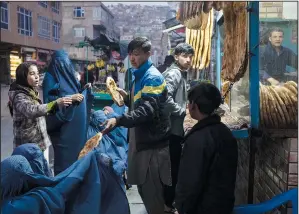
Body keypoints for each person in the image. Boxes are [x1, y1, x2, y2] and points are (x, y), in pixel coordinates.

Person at [102, 37, 171, 214]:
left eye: (137, 54)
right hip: (141, 142)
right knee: (143, 189)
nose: (132, 58)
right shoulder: (139, 75)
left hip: (152, 146)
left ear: (148, 54)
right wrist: (126, 98)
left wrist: (118, 120)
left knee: (153, 195)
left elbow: (147, 110)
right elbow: (141, 103)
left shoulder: (152, 77)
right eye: (131, 54)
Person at [175, 83, 238, 214]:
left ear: (194, 106)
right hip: (224, 207)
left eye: (189, 102)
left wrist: (182, 208)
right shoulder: (225, 132)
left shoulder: (197, 139)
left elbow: (189, 184)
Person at [7, 62, 72, 161]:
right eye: (32, 74)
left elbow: (41, 111)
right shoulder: (19, 96)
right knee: (34, 173)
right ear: (22, 76)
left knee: (43, 170)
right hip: (28, 147)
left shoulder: (31, 91)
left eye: (37, 73)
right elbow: (32, 110)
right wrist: (55, 103)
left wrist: (63, 103)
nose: (37, 77)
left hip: (40, 143)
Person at [43, 50, 93, 175]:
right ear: (54, 63)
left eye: (66, 62)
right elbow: (50, 104)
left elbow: (75, 92)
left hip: (74, 129)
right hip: (61, 130)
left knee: (76, 160)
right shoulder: (50, 79)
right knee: (63, 162)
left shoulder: (68, 77)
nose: (63, 65)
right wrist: (71, 99)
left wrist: (84, 90)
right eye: (60, 62)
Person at [162, 43, 194, 213]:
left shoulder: (180, 73)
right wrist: (182, 111)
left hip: (174, 128)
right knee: (172, 169)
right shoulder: (174, 74)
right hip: (171, 130)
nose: (188, 60)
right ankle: (167, 204)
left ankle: (168, 202)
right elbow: (165, 99)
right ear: (176, 57)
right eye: (184, 56)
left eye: (190, 57)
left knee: (173, 168)